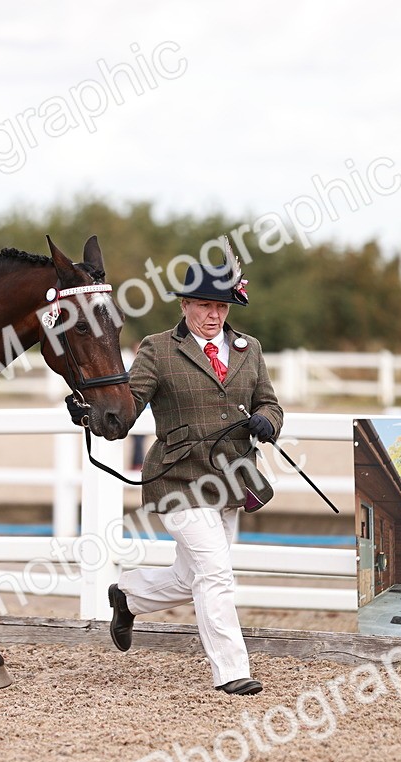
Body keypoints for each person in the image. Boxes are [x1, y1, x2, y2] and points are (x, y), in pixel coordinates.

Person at [68, 253, 283, 695]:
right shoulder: (158, 349)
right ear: (185, 304)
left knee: (195, 576)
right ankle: (231, 670)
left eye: (221, 307)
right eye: (205, 305)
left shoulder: (250, 349)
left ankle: (127, 596)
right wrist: (90, 415)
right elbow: (126, 412)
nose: (214, 315)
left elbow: (270, 403)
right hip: (177, 482)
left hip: (230, 481)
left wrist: (268, 421)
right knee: (217, 573)